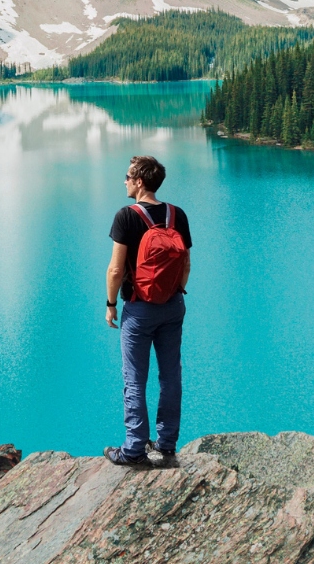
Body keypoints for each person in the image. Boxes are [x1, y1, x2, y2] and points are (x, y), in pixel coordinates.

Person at [104, 155, 191, 468]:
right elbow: (186, 264)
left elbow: (116, 269)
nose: (124, 181)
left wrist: (111, 304)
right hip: (173, 307)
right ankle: (167, 444)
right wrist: (174, 294)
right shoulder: (175, 214)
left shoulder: (126, 216)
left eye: (128, 176)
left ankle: (134, 449)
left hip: (139, 310)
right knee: (171, 376)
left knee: (134, 379)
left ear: (139, 181)